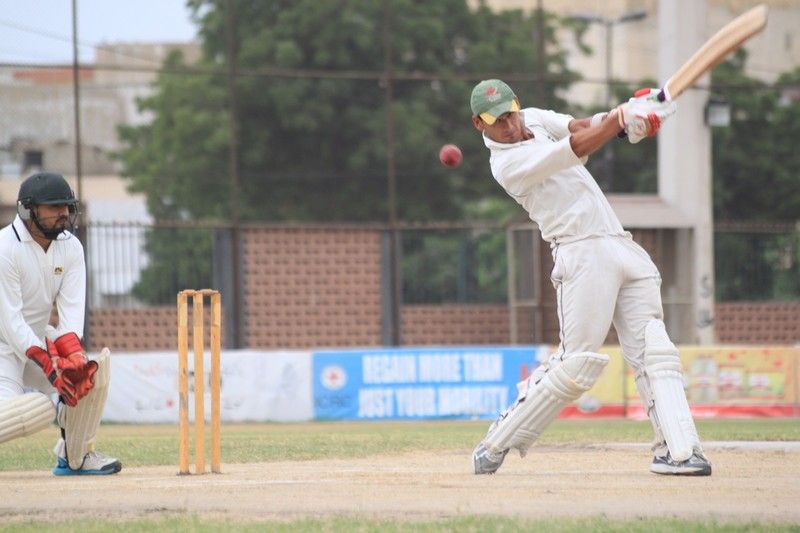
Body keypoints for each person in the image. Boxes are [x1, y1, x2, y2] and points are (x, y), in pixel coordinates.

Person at [469, 79, 711, 476]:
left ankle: (680, 451)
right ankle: (496, 442)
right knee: (575, 365)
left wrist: (626, 120)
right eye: (498, 121)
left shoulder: (533, 118)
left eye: (510, 114)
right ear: (479, 123)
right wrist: (620, 118)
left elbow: (581, 127)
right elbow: (574, 148)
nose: (510, 125)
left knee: (655, 351)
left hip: (619, 241)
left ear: (517, 105)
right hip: (579, 251)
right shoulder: (506, 166)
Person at [0, 171, 121, 475]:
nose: (63, 213)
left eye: (66, 206)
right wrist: (48, 362)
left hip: (36, 340)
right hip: (4, 347)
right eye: (54, 207)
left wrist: (73, 356)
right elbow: (11, 321)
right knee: (31, 413)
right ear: (29, 210)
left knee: (91, 373)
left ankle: (76, 456)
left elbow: (71, 313)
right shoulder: (5, 248)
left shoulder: (71, 247)